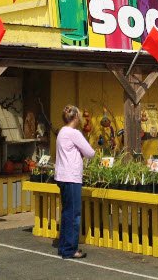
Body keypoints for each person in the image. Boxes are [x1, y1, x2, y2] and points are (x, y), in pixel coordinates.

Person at [55, 105, 95, 259]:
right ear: (76, 117)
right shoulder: (74, 133)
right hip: (71, 177)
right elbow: (90, 152)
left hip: (63, 176)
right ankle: (70, 249)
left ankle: (64, 246)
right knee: (74, 214)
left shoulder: (62, 132)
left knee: (67, 213)